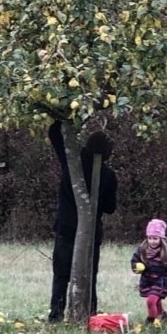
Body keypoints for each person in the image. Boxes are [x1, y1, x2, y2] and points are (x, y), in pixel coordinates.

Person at [47, 121, 118, 322]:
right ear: (107, 153)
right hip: (92, 232)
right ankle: (88, 313)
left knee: (61, 275)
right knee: (89, 276)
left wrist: (62, 115)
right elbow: (110, 208)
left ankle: (56, 315)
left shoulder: (73, 161)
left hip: (66, 228)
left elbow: (54, 133)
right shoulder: (109, 175)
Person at [130, 218, 167, 323]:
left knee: (151, 301)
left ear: (162, 238)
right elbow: (134, 261)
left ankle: (152, 321)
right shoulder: (142, 249)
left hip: (162, 281)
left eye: (155, 238)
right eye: (150, 238)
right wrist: (136, 267)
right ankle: (163, 317)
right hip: (147, 280)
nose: (152, 241)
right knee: (156, 301)